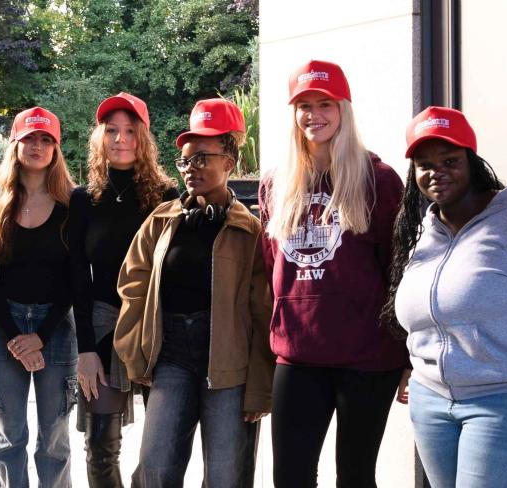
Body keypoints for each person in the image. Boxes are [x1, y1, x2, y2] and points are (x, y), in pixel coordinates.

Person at [384, 106, 507, 488]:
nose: (436, 171)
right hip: (433, 404)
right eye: (424, 164)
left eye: (449, 160)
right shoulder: (427, 230)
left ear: (472, 161)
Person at [260, 60, 408, 487]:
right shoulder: (276, 183)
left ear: (343, 108)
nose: (313, 114)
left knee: (356, 477)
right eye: (303, 105)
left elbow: (397, 270)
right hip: (298, 351)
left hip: (367, 356)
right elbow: (274, 268)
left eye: (324, 103)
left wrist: (406, 356)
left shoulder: (377, 179)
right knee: (290, 476)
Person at [114, 98, 273, 487]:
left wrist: (259, 386)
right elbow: (132, 284)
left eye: (202, 158)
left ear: (229, 162)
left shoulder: (249, 229)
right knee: (156, 468)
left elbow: (263, 309)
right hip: (171, 358)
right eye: (185, 161)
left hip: (229, 366)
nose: (191, 169)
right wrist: (139, 352)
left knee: (226, 476)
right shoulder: (162, 220)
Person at [68, 93, 176, 487]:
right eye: (111, 130)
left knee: (160, 449)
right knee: (100, 447)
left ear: (143, 137)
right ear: (100, 137)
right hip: (102, 326)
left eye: (130, 130)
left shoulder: (166, 197)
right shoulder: (83, 199)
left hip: (155, 329)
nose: (120, 138)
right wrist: (85, 350)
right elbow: (79, 277)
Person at [0, 107, 78, 487]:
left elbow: (74, 279)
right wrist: (17, 338)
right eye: (30, 138)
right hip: (4, 329)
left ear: (56, 148)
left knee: (54, 441)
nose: (37, 146)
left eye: (46, 139)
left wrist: (42, 336)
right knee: (9, 439)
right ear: (15, 144)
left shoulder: (72, 205)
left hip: (56, 328)